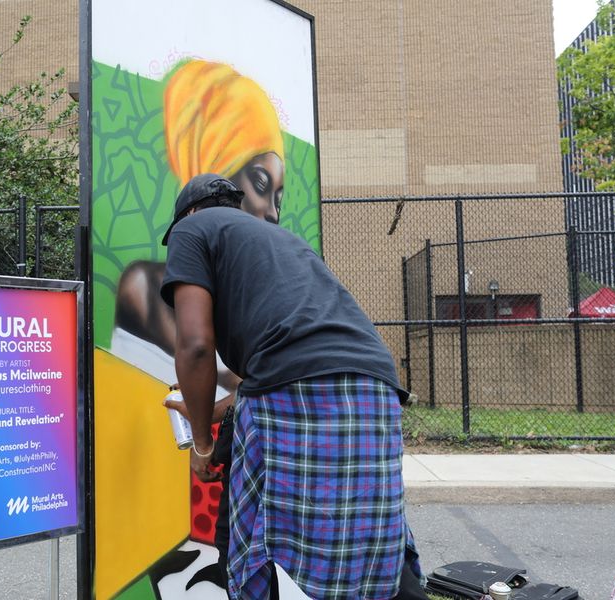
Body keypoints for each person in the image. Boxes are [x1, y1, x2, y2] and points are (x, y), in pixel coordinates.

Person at [160, 173, 423, 599]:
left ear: (190, 212)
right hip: (374, 388)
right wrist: (209, 411)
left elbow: (194, 346)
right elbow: (281, 369)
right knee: (364, 531)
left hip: (298, 393)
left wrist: (203, 445)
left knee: (248, 540)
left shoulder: (192, 229)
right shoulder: (278, 241)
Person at [113, 59, 285, 381]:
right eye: (261, 184)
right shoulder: (143, 288)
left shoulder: (260, 296)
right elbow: (197, 350)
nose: (273, 214)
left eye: (279, 199)